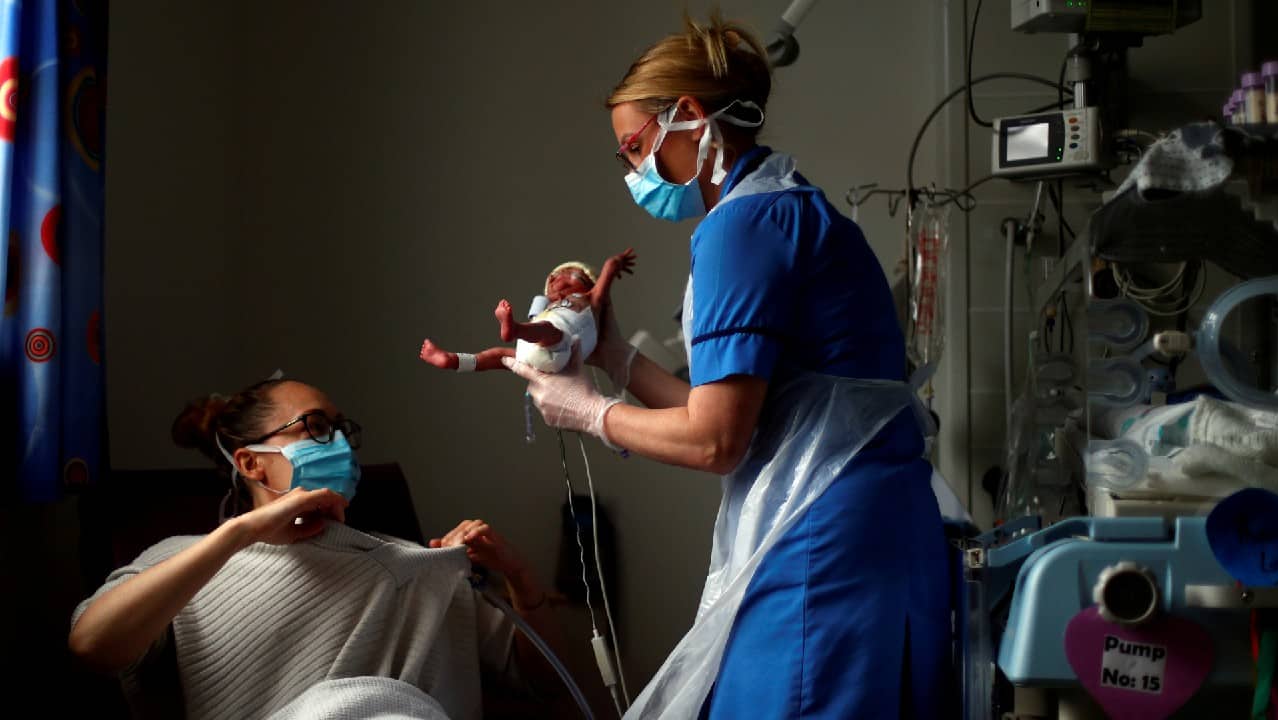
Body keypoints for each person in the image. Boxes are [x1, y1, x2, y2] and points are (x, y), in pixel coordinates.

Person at [504, 12, 952, 719]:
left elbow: (716, 441)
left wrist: (586, 412)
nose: (633, 172)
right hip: (876, 526)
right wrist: (616, 357)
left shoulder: (739, 230)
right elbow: (739, 407)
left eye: (635, 148)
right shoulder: (792, 207)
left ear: (688, 116)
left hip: (822, 542)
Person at [68, 378, 564, 720]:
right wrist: (240, 535)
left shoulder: (412, 564)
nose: (341, 446)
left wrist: (519, 578)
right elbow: (94, 646)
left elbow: (542, 680)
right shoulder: (188, 560)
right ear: (251, 463)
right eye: (317, 427)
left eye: (341, 429)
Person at [419, 249, 636, 374]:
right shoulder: (545, 307)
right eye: (554, 277)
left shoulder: (591, 301)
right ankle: (452, 360)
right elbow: (539, 317)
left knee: (549, 331)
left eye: (572, 275)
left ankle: (514, 329)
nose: (557, 278)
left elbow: (606, 273)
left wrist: (615, 263)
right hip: (531, 349)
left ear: (590, 285)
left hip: (562, 347)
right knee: (497, 356)